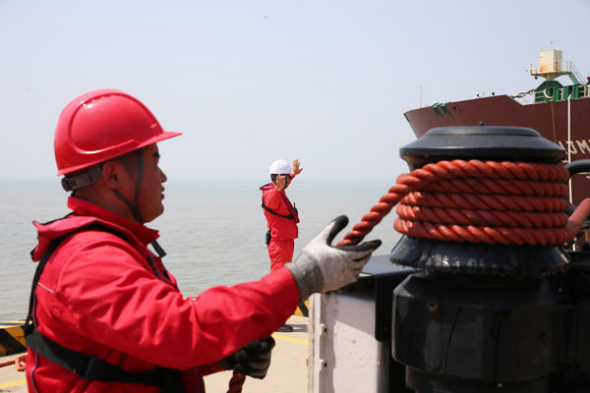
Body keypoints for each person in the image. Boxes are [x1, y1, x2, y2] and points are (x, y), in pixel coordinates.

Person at [24, 89, 381, 393]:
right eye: (154, 160)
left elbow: (140, 350)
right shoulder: (90, 259)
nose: (163, 176)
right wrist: (304, 276)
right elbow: (179, 330)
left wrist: (222, 355)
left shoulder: (106, 247)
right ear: (113, 175)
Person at [260, 159, 304, 331]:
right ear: (279, 178)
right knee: (278, 280)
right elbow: (274, 195)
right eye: (285, 179)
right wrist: (281, 184)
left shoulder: (277, 190)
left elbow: (280, 188)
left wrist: (293, 174)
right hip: (279, 242)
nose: (286, 183)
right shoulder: (271, 194)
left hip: (284, 240)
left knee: (281, 278)